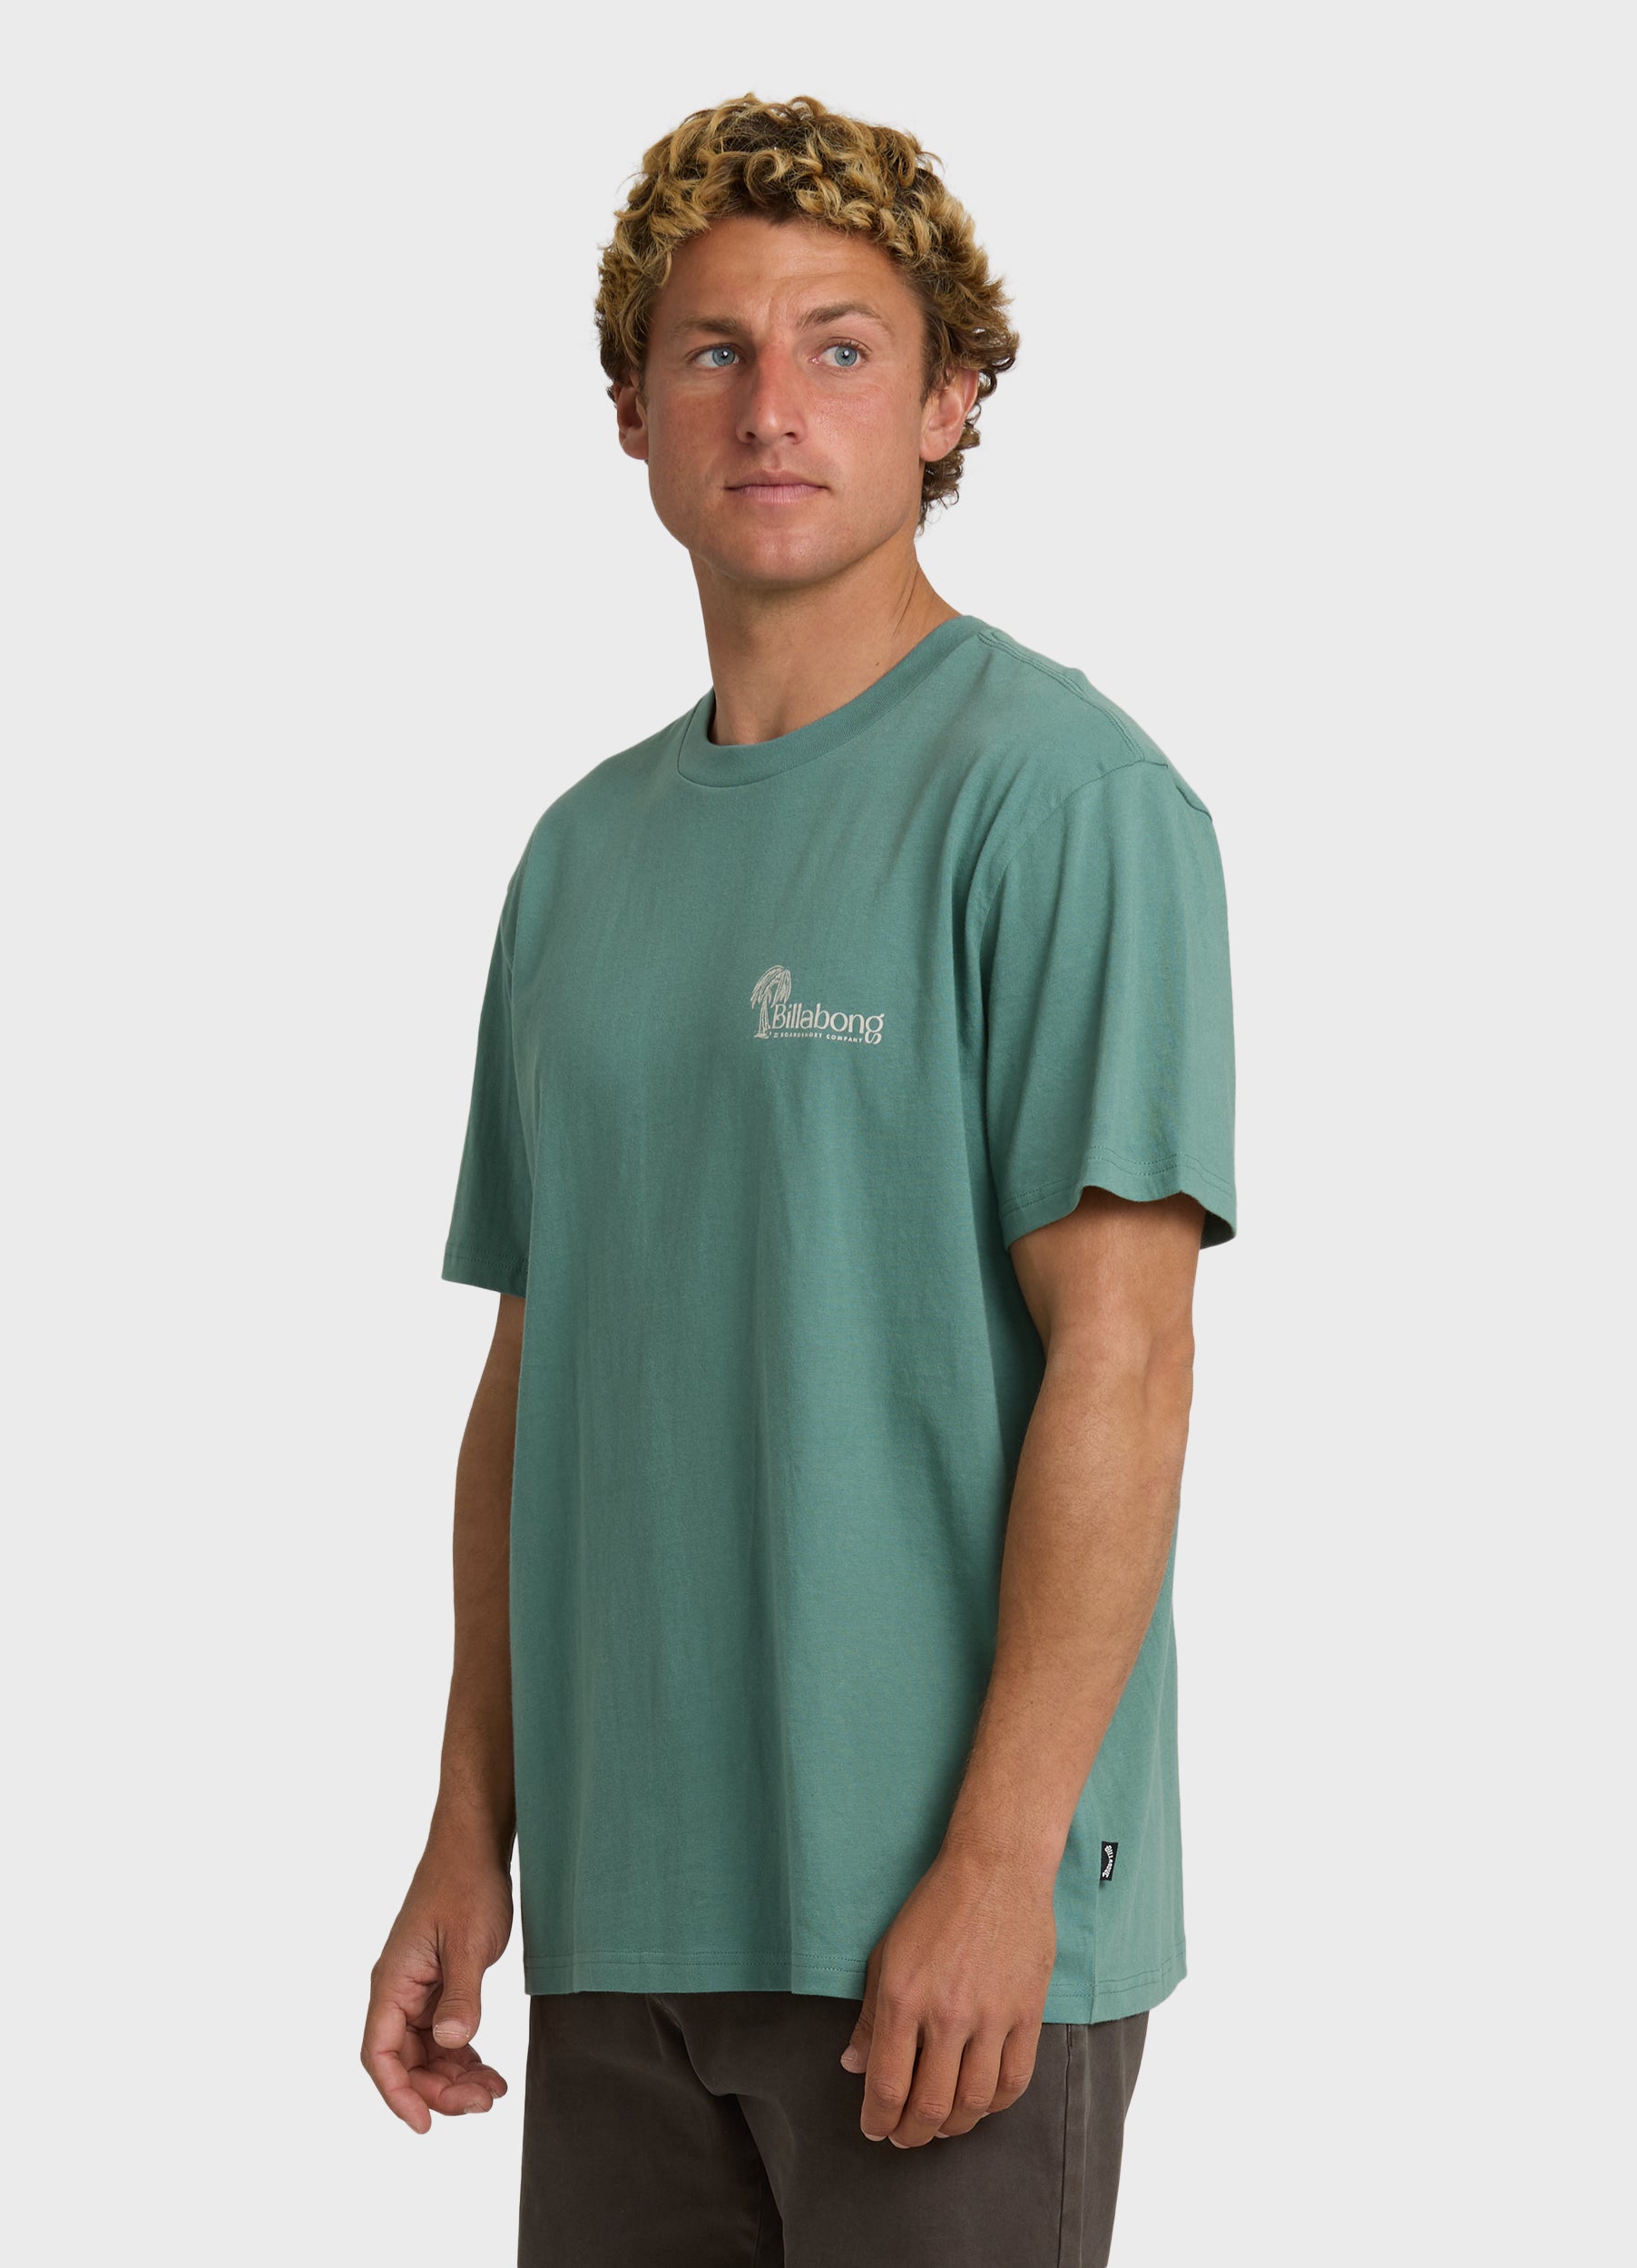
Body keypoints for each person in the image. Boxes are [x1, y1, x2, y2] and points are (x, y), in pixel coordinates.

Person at [361, 91, 1237, 2265]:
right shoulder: (579, 857)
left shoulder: (1061, 801)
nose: (772, 405)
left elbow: (1124, 1359)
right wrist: (471, 1830)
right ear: (633, 416)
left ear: (950, 404)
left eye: (843, 347)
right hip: (629, 1922)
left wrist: (1003, 1863)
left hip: (942, 1936)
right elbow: (533, 1380)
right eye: (713, 350)